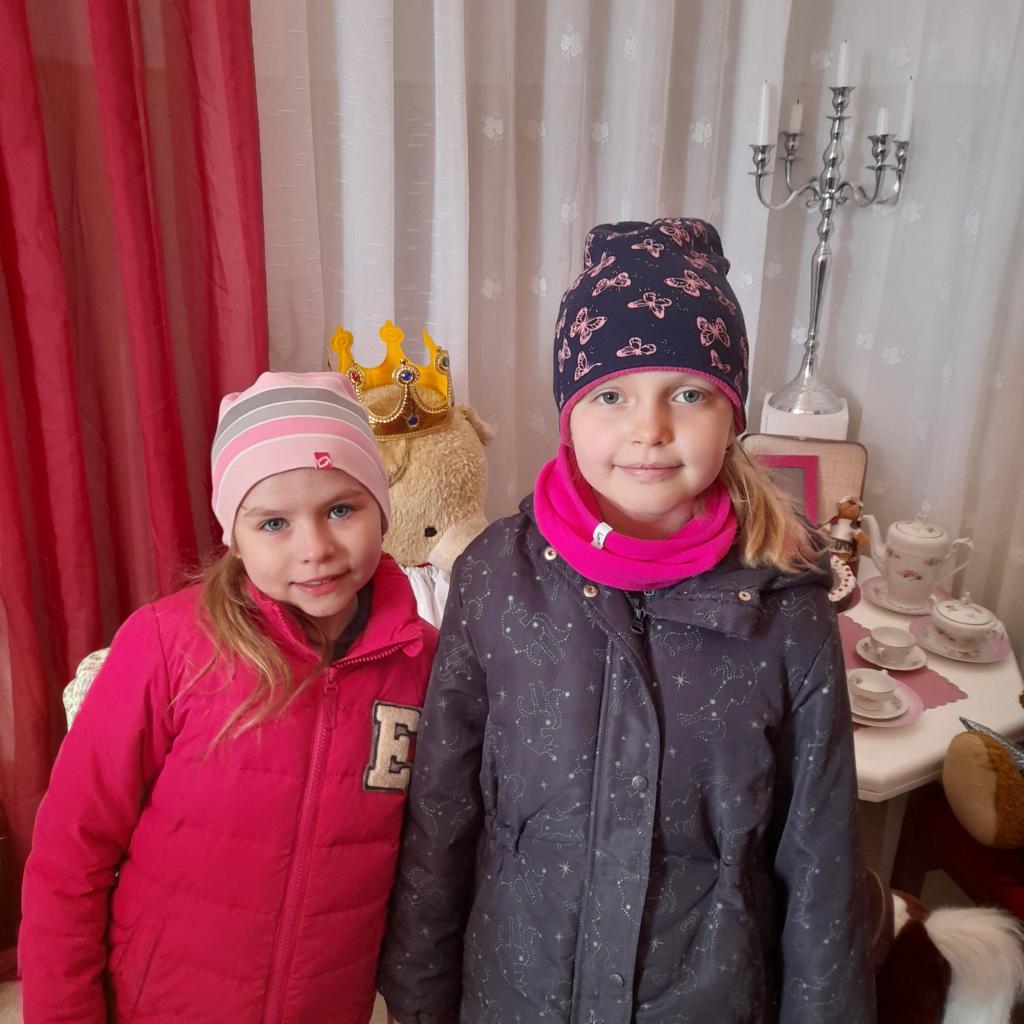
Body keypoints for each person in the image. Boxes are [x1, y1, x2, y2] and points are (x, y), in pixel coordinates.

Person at [378, 219, 874, 1023]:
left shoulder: (788, 609)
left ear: (733, 414)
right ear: (569, 413)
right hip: (515, 992)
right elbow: (441, 812)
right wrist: (418, 997)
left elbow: (822, 858)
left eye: (689, 394)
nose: (650, 429)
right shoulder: (495, 577)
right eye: (612, 396)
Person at [19, 372, 437, 1023]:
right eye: (273, 522)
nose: (315, 549)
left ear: (381, 508)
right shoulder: (166, 644)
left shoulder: (427, 661)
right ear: (234, 537)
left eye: (341, 509)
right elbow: (71, 852)